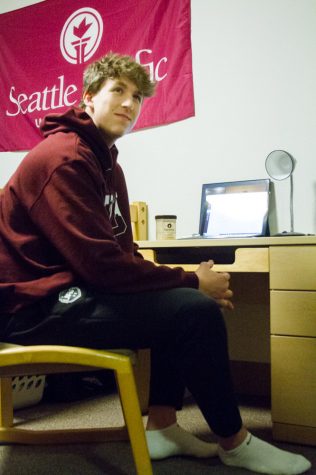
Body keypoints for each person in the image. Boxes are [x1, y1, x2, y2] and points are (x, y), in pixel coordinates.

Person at [0, 52, 311, 475]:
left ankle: (162, 426)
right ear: (89, 97)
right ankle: (234, 442)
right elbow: (103, 267)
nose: (129, 104)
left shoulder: (108, 163)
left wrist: (177, 282)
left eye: (137, 97)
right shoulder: (63, 158)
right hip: (29, 306)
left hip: (67, 289)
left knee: (172, 297)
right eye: (118, 92)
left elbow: (121, 254)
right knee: (193, 310)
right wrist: (193, 281)